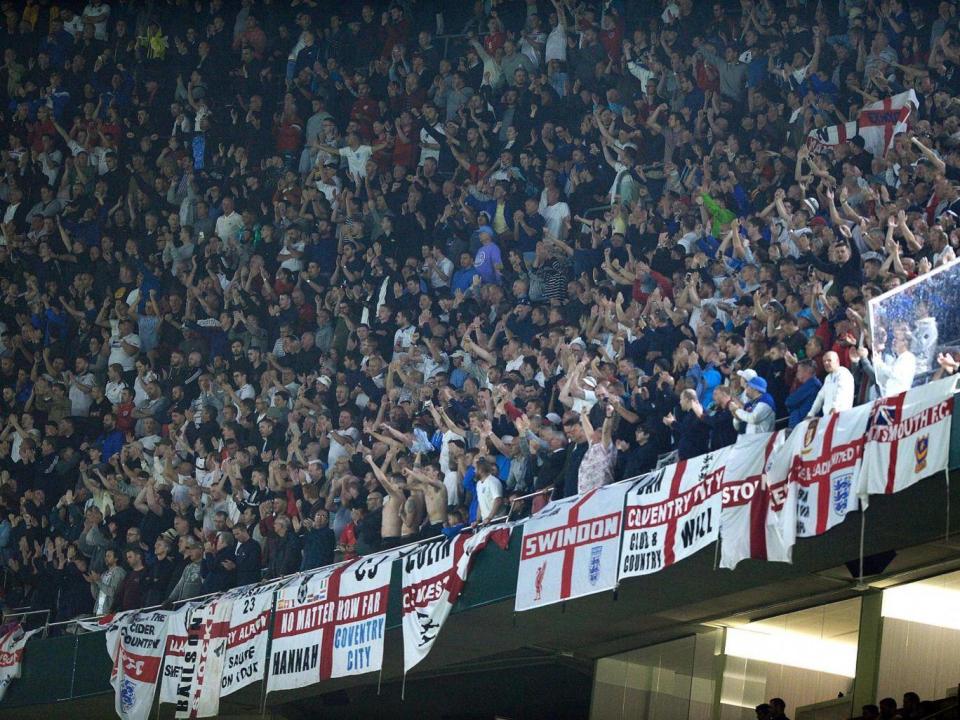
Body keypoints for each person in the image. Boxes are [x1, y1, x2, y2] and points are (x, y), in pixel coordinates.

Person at [807, 352, 855, 418]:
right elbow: (820, 396)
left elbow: (841, 392)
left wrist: (835, 407)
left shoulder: (843, 373)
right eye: (824, 361)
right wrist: (811, 413)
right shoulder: (828, 378)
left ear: (837, 361)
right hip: (828, 417)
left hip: (841, 416)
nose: (826, 363)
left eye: (829, 360)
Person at [785, 361, 822, 428]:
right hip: (801, 424)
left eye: (799, 371)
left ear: (806, 371)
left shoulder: (812, 384)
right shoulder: (809, 384)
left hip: (804, 424)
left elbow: (789, 401)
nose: (797, 374)